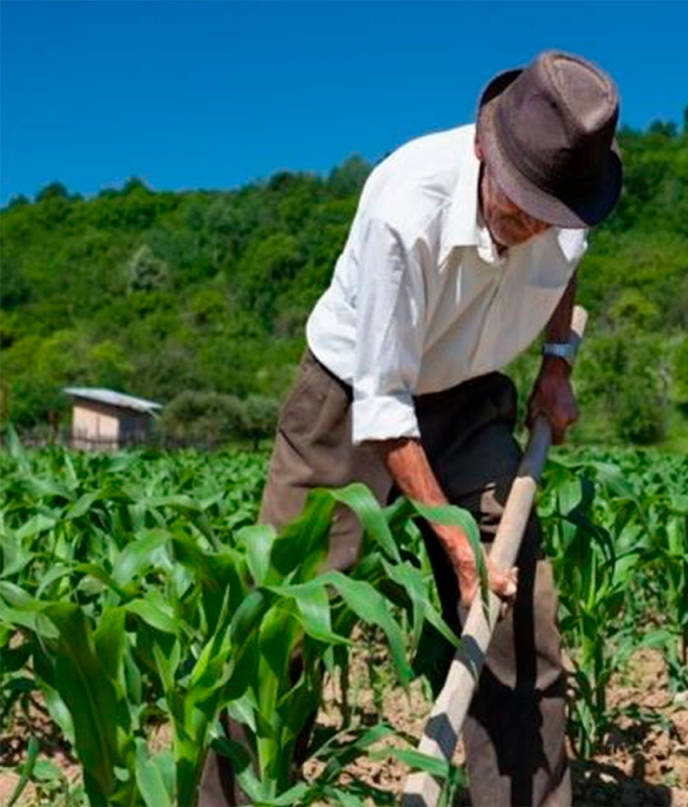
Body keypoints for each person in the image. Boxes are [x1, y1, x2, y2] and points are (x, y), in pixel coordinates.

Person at [199, 50, 622, 807]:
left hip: (472, 395)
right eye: (519, 203)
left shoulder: (567, 206)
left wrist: (556, 363)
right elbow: (385, 409)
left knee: (518, 614)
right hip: (351, 399)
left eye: (547, 214)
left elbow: (565, 271)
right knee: (284, 623)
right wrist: (459, 549)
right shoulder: (406, 204)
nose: (529, 227)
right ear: (484, 150)